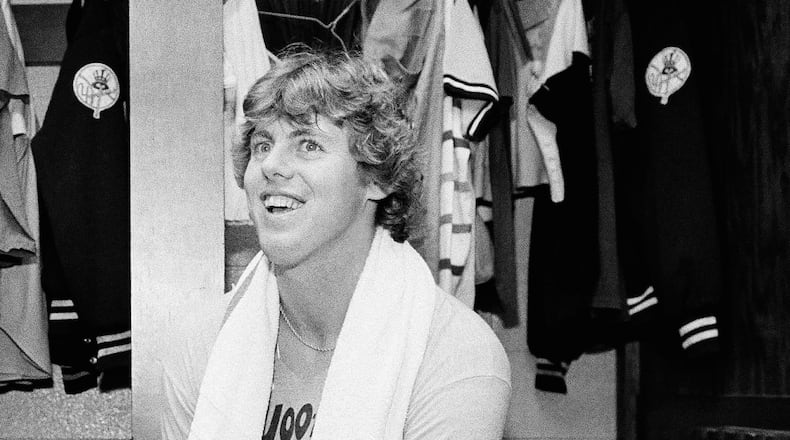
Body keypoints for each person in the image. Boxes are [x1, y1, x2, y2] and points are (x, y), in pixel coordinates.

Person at [161, 50, 511, 440]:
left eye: (308, 144)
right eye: (262, 144)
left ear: (377, 178)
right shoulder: (202, 343)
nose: (271, 165)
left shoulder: (456, 358)